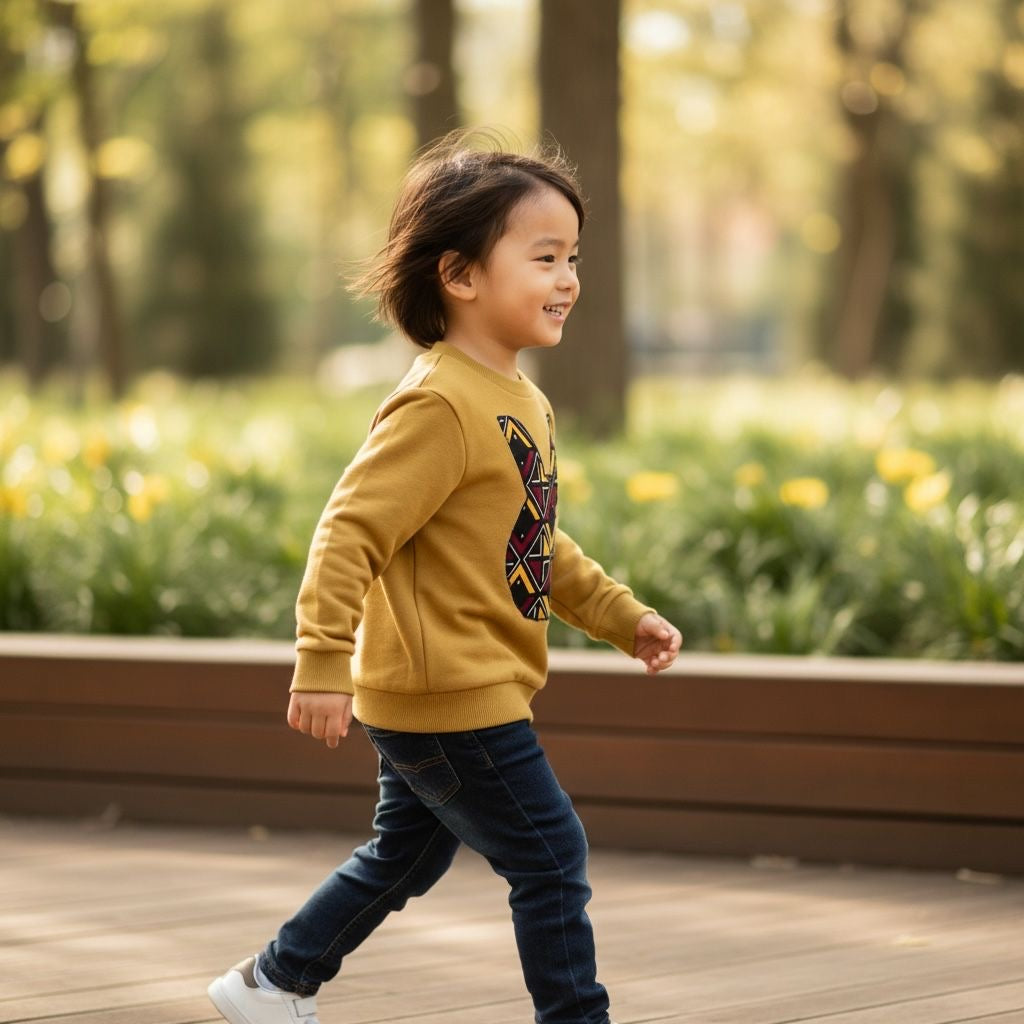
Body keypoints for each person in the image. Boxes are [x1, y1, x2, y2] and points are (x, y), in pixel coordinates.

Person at [207, 128, 683, 1024]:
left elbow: (533, 534)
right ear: (461, 276)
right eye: (544, 257)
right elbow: (349, 532)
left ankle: (271, 982)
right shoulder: (439, 402)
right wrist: (320, 658)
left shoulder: (518, 398)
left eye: (574, 257)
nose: (570, 279)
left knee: (406, 856)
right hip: (452, 690)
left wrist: (620, 616)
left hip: (459, 685)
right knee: (550, 857)